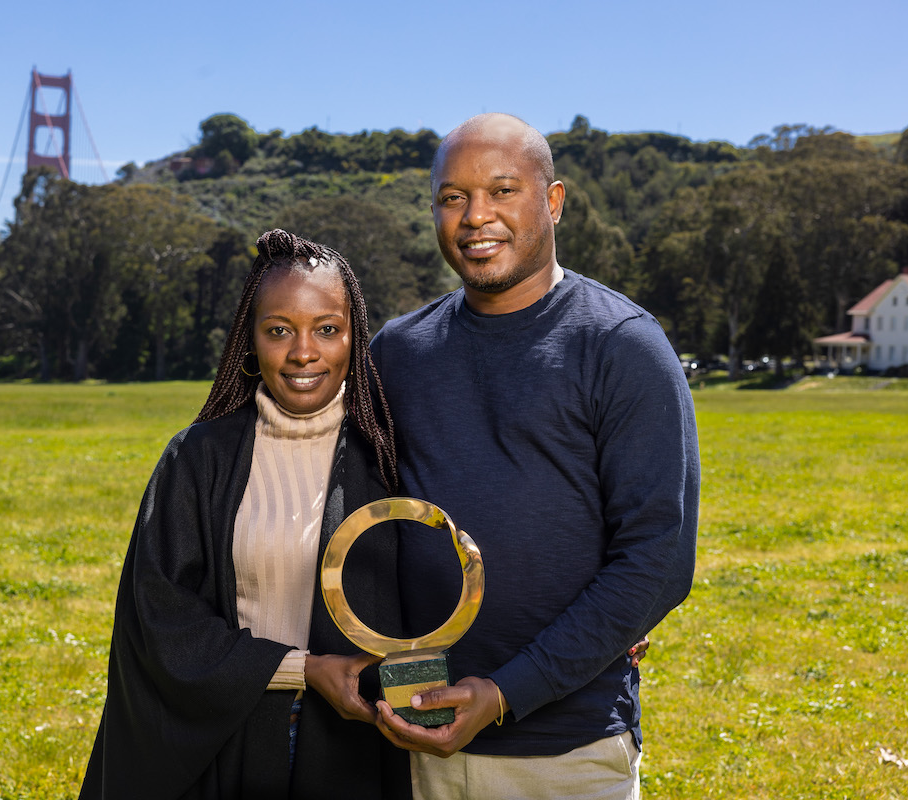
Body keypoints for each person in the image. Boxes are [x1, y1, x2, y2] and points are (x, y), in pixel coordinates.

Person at [369, 113, 700, 799]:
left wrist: (503, 694)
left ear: (553, 202)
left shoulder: (623, 346)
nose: (474, 217)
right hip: (418, 743)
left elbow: (656, 561)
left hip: (568, 753)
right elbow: (357, 523)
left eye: (502, 191)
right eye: (452, 197)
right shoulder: (396, 352)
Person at [78, 229, 410, 800]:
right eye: (279, 330)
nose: (303, 352)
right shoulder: (198, 458)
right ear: (249, 340)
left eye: (327, 329)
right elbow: (159, 618)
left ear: (355, 337)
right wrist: (301, 670)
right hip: (225, 746)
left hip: (349, 755)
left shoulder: (386, 458)